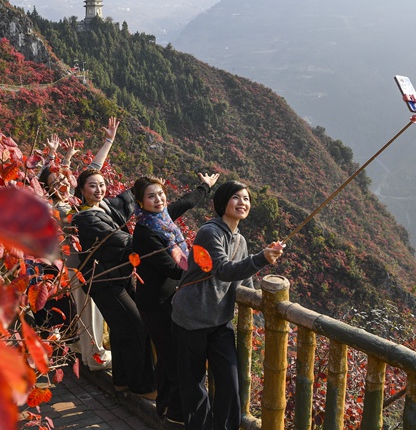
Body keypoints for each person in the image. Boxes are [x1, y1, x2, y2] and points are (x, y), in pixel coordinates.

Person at [171, 181, 284, 430]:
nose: (242, 202)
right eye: (236, 197)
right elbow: (222, 270)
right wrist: (262, 258)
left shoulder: (239, 239)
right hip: (192, 317)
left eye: (246, 198)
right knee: (194, 384)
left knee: (230, 383)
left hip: (219, 321)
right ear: (223, 202)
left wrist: (258, 306)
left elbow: (244, 280)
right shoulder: (210, 232)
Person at [132, 172, 219, 424]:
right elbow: (171, 269)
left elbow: (187, 201)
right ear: (140, 202)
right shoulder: (146, 232)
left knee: (168, 355)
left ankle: (165, 406)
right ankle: (176, 415)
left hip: (169, 299)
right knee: (173, 358)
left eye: (160, 194)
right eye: (151, 196)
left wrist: (206, 186)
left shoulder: (162, 219)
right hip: (155, 304)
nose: (158, 199)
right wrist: (207, 265)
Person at [34, 118, 121, 371]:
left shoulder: (70, 198)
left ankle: (86, 352)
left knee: (88, 310)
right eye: (56, 183)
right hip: (79, 265)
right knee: (89, 310)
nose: (62, 183)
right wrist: (51, 156)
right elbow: (46, 178)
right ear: (48, 189)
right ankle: (95, 358)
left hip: (85, 263)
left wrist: (109, 141)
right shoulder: (59, 207)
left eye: (64, 180)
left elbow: (94, 168)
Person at [71, 148, 157, 400]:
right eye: (92, 186)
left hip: (120, 278)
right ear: (82, 190)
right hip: (105, 283)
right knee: (136, 326)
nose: (98, 190)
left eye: (102, 185)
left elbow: (133, 195)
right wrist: (156, 242)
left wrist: (197, 190)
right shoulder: (85, 219)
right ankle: (141, 386)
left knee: (122, 330)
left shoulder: (107, 207)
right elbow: (119, 239)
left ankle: (121, 381)